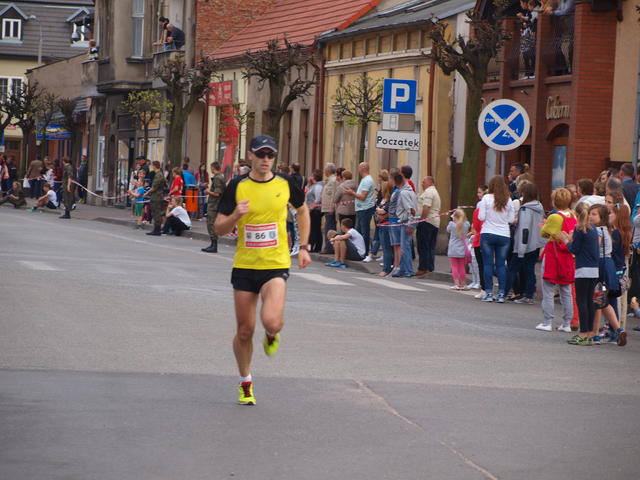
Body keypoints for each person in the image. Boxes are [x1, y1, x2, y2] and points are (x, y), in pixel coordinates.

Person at [214, 134, 311, 405]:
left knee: (272, 321)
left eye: (270, 155)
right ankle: (245, 382)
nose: (266, 159)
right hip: (245, 266)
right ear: (251, 156)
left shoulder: (286, 183)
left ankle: (271, 334)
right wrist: (236, 215)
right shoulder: (237, 186)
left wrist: (304, 246)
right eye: (261, 154)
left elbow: (303, 211)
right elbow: (219, 227)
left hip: (275, 264)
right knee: (245, 331)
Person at [558, 202, 598, 345]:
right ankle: (590, 333)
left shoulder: (579, 228)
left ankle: (583, 333)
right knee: (589, 301)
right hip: (594, 269)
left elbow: (574, 249)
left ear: (576, 214)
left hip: (582, 269)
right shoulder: (593, 228)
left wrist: (566, 241)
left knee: (581, 302)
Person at [506, 181, 546, 304]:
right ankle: (529, 295)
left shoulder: (525, 209)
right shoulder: (539, 207)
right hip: (536, 243)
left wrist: (521, 248)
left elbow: (524, 229)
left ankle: (504, 291)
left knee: (512, 268)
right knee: (529, 269)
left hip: (524, 244)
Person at [478, 175, 515, 302]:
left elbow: (481, 217)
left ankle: (488, 293)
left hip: (488, 232)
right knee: (501, 265)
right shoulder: (508, 199)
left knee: (487, 264)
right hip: (504, 234)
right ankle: (501, 294)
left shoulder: (486, 198)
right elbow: (511, 219)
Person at [344, 162, 376, 256]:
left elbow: (362, 197)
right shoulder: (365, 179)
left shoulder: (367, 180)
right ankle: (359, 251)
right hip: (362, 208)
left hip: (365, 208)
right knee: (358, 231)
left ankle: (364, 252)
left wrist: (352, 193)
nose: (358, 170)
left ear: (362, 169)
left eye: (359, 168)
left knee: (364, 231)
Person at [392, 171, 417, 278]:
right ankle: (402, 270)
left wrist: (410, 224)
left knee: (405, 247)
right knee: (404, 246)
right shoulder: (410, 191)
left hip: (407, 221)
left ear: (395, 181)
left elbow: (410, 209)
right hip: (407, 221)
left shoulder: (403, 193)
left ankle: (408, 270)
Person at [415, 176, 441, 276]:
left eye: (423, 182)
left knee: (423, 246)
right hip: (434, 222)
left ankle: (423, 268)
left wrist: (422, 219)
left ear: (430, 182)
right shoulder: (434, 191)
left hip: (427, 221)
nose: (422, 184)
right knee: (430, 246)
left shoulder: (429, 192)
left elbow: (426, 207)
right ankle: (430, 267)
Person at [201, 161, 226, 253]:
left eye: (211, 167)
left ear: (213, 168)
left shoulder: (217, 178)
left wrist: (208, 192)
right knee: (211, 223)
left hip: (214, 204)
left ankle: (214, 245)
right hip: (216, 204)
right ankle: (212, 244)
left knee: (211, 224)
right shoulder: (220, 177)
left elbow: (217, 193)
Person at [446, 209, 470, 290]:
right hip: (462, 248)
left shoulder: (452, 225)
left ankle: (456, 284)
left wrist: (453, 219)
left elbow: (447, 230)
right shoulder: (466, 224)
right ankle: (463, 284)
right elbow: (465, 223)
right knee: (462, 267)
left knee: (454, 266)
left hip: (453, 248)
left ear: (455, 217)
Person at [472, 185, 488, 299]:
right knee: (490, 265)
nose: (478, 195)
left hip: (480, 239)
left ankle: (484, 289)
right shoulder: (496, 208)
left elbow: (476, 227)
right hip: (493, 238)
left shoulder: (478, 210)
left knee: (482, 265)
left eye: (480, 193)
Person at [144, 161, 166, 236]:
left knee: (156, 213)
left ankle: (157, 230)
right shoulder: (158, 174)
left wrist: (147, 193)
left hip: (157, 196)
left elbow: (154, 187)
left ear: (155, 166)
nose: (151, 167)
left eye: (152, 166)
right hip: (156, 196)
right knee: (155, 212)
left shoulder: (159, 175)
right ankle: (156, 229)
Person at [320, 163, 337, 254]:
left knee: (329, 228)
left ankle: (329, 248)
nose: (324, 172)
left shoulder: (333, 181)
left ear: (328, 170)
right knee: (327, 228)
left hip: (329, 209)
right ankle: (329, 247)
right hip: (326, 208)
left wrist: (331, 208)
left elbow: (333, 196)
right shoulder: (329, 180)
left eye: (325, 170)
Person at [305, 169, 324, 253]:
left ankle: (313, 247)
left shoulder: (318, 186)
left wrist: (311, 208)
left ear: (314, 177)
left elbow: (318, 199)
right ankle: (315, 247)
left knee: (314, 229)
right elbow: (306, 192)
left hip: (315, 210)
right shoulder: (313, 185)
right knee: (314, 228)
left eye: (311, 175)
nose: (310, 177)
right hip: (311, 209)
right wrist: (309, 184)